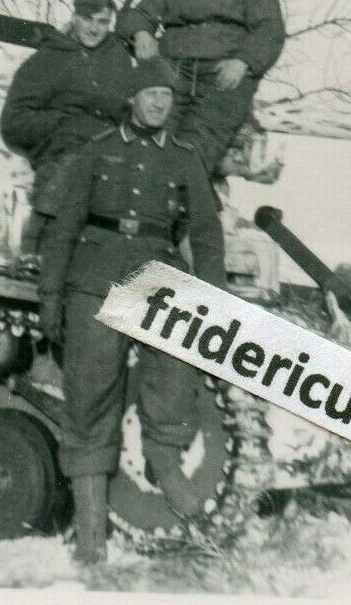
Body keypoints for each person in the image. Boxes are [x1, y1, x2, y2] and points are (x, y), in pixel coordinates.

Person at [37, 57, 226, 565]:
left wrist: (211, 297)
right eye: (150, 94)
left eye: (166, 96)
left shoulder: (185, 158)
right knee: (91, 391)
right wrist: (51, 295)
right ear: (133, 99)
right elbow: (62, 229)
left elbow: (207, 235)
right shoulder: (97, 151)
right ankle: (91, 528)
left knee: (172, 375)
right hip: (96, 276)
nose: (159, 102)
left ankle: (164, 462)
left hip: (155, 278)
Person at [117, 0, 285, 175]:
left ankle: (180, 204)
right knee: (149, 143)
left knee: (194, 151)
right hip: (173, 73)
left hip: (221, 78)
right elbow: (140, 13)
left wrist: (244, 61)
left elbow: (270, 29)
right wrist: (142, 32)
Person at [1, 0, 133, 261]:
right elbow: (14, 119)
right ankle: (34, 248)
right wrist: (63, 125)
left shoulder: (118, 59)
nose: (95, 29)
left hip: (109, 148)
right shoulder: (49, 58)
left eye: (103, 22)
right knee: (72, 162)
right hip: (61, 146)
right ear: (74, 17)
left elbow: (126, 111)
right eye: (88, 18)